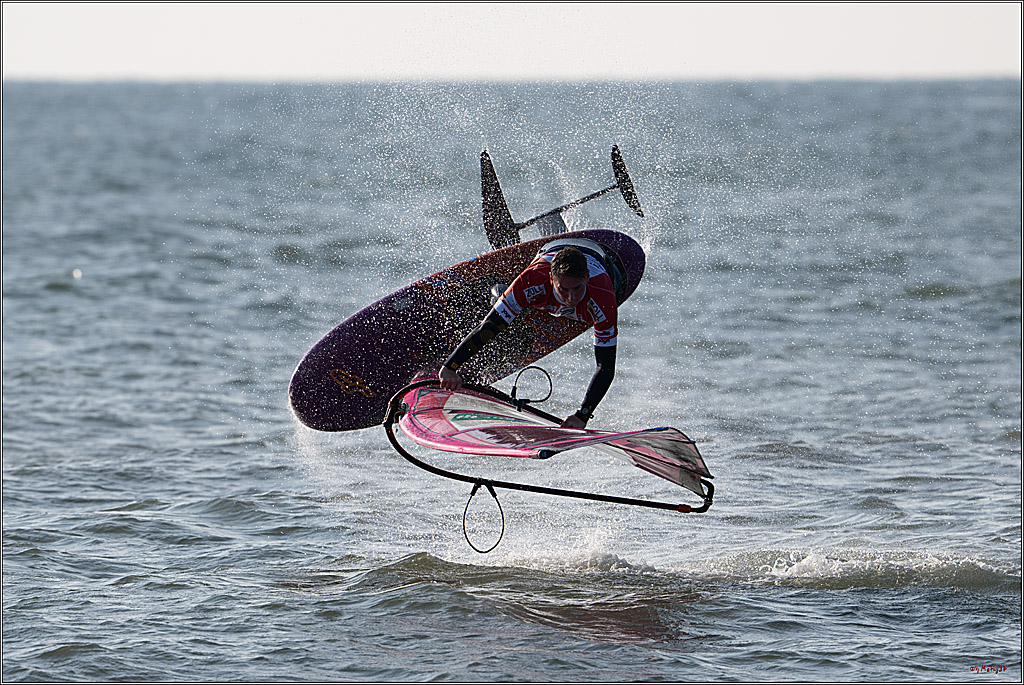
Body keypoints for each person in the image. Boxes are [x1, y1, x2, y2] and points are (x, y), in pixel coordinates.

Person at [438, 244, 618, 429]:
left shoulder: (603, 299)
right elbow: (489, 328)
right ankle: (502, 294)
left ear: (587, 278)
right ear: (551, 278)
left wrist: (583, 415)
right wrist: (451, 366)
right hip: (548, 254)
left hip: (601, 262)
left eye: (577, 288)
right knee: (501, 317)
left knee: (609, 298)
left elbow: (605, 365)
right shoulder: (531, 281)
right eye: (563, 289)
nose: (571, 297)